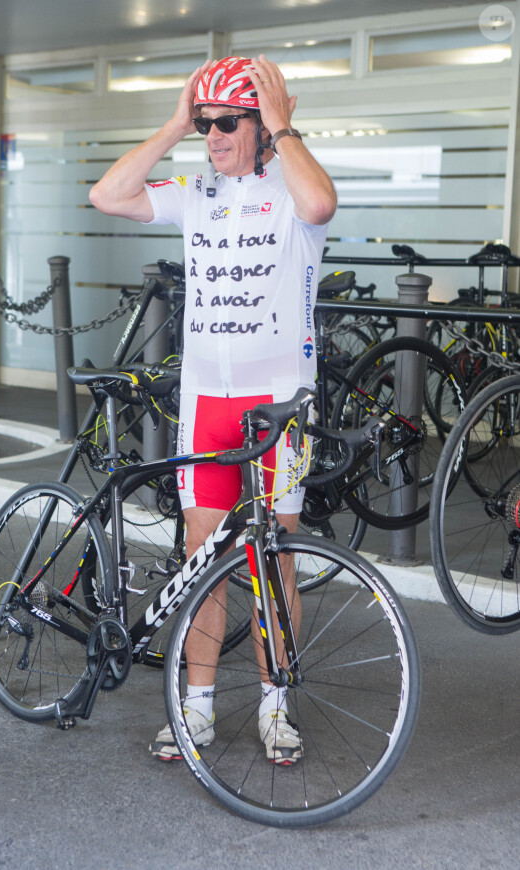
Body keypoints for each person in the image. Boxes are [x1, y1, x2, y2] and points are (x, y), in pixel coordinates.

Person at [89, 55, 337, 763]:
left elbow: (321, 205)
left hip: (276, 405)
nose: (215, 136)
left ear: (262, 125)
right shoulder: (195, 190)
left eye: (228, 122)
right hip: (206, 402)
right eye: (207, 124)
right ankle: (196, 708)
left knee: (275, 560)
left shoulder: (291, 187)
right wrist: (173, 122)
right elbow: (109, 195)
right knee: (203, 559)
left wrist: (284, 130)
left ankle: (274, 706)